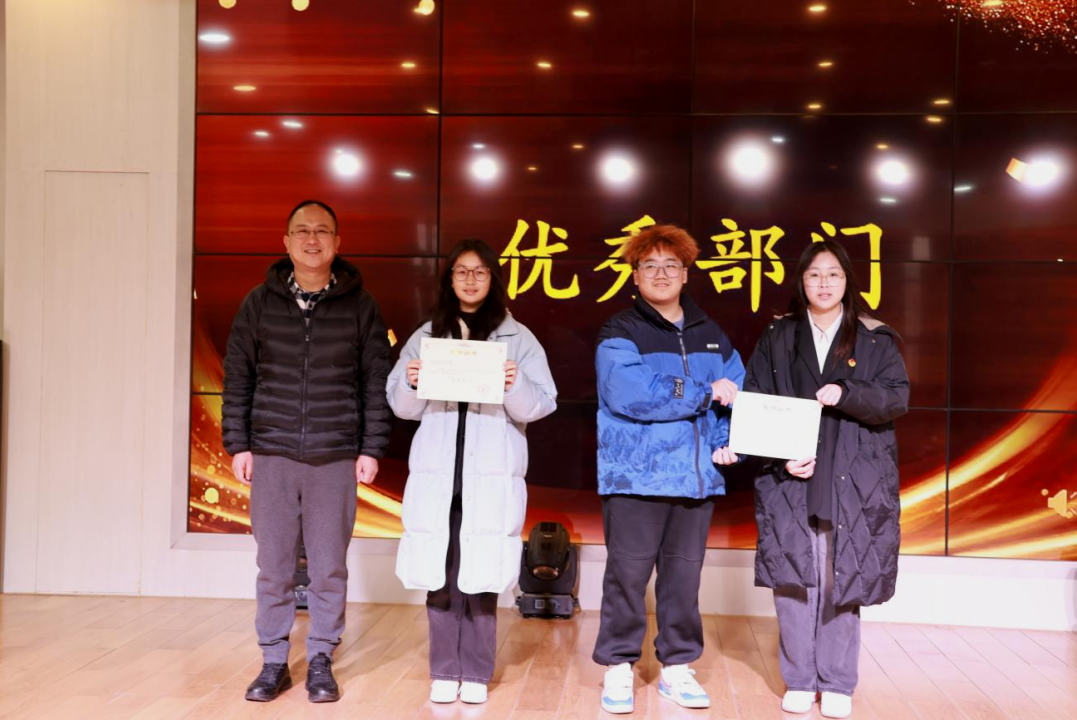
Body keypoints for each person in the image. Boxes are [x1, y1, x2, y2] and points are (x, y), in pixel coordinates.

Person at [222, 200, 392, 703]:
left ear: (338, 242)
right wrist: (238, 444)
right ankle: (274, 660)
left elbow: (375, 382)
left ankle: (320, 658)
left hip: (334, 454)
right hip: (271, 452)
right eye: (302, 231)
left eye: (322, 231)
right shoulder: (258, 303)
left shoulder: (361, 306)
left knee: (328, 567)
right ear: (286, 241)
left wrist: (371, 448)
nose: (311, 239)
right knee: (273, 566)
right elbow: (238, 377)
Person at [743, 239, 909, 719]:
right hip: (792, 476)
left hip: (853, 478)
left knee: (843, 576)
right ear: (801, 281)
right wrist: (780, 459)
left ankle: (836, 681)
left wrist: (847, 392)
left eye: (833, 274)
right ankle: (799, 678)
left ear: (847, 281)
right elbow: (756, 401)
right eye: (814, 274)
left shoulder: (875, 338)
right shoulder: (778, 336)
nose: (823, 283)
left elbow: (897, 397)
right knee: (794, 576)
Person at [387, 239, 557, 705]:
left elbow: (543, 403)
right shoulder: (427, 335)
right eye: (461, 271)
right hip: (439, 476)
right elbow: (400, 406)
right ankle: (445, 669)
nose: (470, 279)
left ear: (493, 279)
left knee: (481, 575)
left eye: (479, 271)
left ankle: (477, 672)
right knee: (440, 574)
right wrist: (412, 381)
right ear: (449, 279)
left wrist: (514, 384)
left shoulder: (518, 337)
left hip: (491, 477)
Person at [592, 224, 745, 714]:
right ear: (635, 276)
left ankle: (677, 668)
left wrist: (727, 443)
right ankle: (619, 666)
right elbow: (630, 392)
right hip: (633, 477)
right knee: (626, 577)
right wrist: (701, 392)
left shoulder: (712, 335)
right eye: (650, 266)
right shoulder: (619, 331)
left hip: (695, 479)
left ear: (686, 274)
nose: (661, 274)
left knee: (683, 580)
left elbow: (737, 393)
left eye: (671, 265)